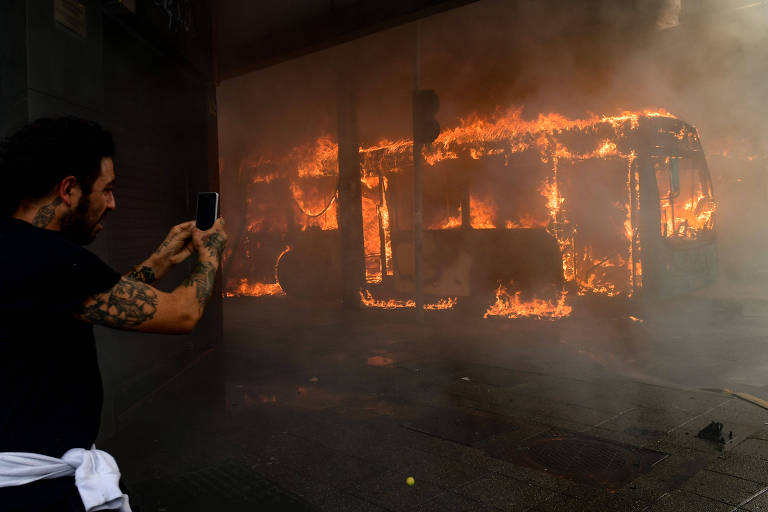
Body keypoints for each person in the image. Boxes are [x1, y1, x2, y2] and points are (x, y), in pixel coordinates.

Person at [0, 117, 228, 511]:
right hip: (35, 494)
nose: (113, 203)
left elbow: (89, 298)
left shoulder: (16, 247)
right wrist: (210, 253)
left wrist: (161, 259)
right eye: (107, 190)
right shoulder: (55, 260)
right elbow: (183, 314)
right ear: (69, 189)